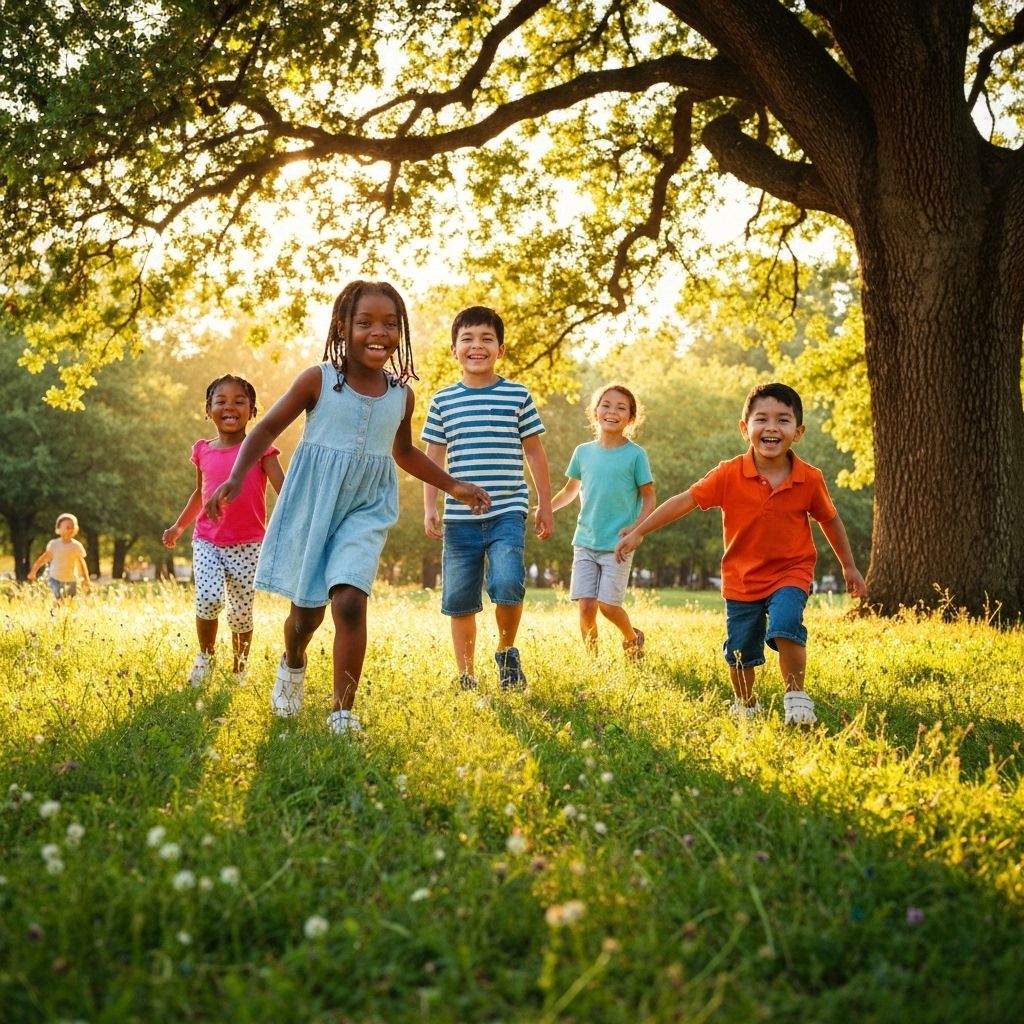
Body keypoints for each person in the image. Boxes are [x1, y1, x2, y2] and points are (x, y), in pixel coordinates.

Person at [205, 281, 491, 735]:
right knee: (306, 617)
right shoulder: (317, 380)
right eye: (365, 322)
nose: (379, 332)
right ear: (342, 327)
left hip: (366, 508)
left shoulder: (401, 395)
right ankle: (292, 663)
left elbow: (404, 452)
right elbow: (267, 429)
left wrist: (453, 485)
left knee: (351, 601)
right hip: (314, 505)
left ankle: (341, 712)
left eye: (390, 324)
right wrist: (237, 476)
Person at [615, 382, 867, 724]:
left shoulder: (810, 479)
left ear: (798, 432)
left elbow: (830, 519)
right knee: (740, 651)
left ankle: (796, 698)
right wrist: (640, 530)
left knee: (786, 624)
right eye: (761, 419)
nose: (772, 427)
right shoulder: (728, 473)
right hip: (741, 578)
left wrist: (849, 566)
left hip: (791, 572)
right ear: (744, 428)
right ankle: (746, 704)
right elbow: (685, 501)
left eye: (783, 420)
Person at [422, 305, 553, 692]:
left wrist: (545, 504)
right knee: (460, 598)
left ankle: (506, 653)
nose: (477, 346)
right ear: (454, 350)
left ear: (501, 349)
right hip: (459, 519)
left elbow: (535, 453)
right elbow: (433, 459)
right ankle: (466, 675)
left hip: (507, 511)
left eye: (486, 339)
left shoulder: (517, 395)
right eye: (467, 339)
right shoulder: (443, 401)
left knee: (508, 582)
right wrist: (430, 506)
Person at [163, 375, 285, 687]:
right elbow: (199, 494)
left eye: (239, 401)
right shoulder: (203, 450)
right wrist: (179, 526)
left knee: (241, 613)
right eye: (221, 401)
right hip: (208, 541)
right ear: (208, 410)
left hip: (249, 545)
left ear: (253, 411)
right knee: (207, 599)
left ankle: (239, 668)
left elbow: (284, 491)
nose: (230, 407)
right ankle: (205, 657)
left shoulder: (263, 450)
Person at [551, 383, 655, 659]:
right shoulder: (582, 452)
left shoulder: (635, 455)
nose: (612, 411)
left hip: (618, 544)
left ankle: (632, 638)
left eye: (621, 408)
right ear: (595, 412)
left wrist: (637, 528)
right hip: (585, 541)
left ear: (630, 418)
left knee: (608, 606)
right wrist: (547, 509)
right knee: (586, 607)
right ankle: (592, 661)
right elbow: (570, 490)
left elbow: (649, 497)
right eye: (606, 405)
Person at [28, 513, 90, 602]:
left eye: (72, 527)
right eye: (67, 527)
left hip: (71, 578)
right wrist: (33, 572)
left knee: (71, 601)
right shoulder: (54, 544)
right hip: (55, 578)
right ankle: (55, 610)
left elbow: (81, 563)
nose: (70, 530)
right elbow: (43, 558)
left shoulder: (76, 546)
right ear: (58, 529)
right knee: (58, 599)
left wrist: (86, 579)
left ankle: (66, 611)